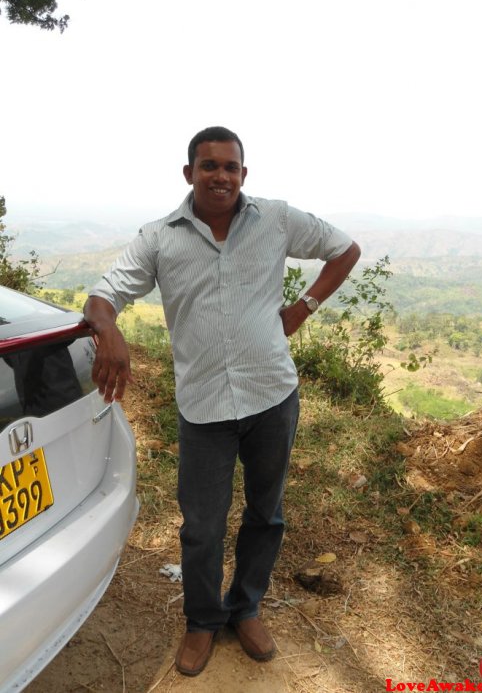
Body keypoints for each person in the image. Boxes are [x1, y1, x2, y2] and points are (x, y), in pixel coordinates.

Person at [83, 126, 361, 676]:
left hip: (271, 396)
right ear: (189, 173)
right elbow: (103, 294)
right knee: (202, 526)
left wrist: (301, 309)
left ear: (244, 174)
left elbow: (345, 250)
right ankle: (203, 620)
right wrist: (107, 331)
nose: (221, 176)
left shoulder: (277, 220)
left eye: (231, 167)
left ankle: (247, 607)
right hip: (204, 409)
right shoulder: (161, 237)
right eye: (209, 166)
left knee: (266, 512)